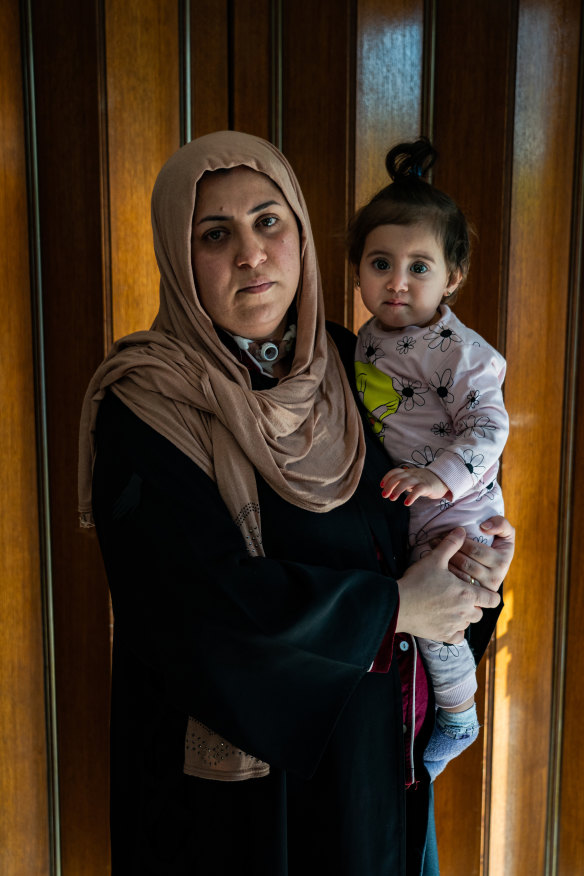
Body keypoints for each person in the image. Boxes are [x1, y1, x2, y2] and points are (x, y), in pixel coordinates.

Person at [78, 130, 514, 875]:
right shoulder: (147, 405)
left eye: (269, 221)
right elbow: (188, 608)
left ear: (303, 238)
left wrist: (469, 574)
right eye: (215, 233)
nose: (251, 254)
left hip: (373, 771)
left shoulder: (360, 365)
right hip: (240, 811)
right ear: (179, 259)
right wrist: (394, 610)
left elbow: (419, 524)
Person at [350, 137, 509, 781]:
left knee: (444, 617)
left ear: (453, 277)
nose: (397, 281)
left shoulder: (460, 353)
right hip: (409, 514)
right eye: (379, 263)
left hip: (457, 512)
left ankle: (458, 712)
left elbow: (489, 425)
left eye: (420, 266)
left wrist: (437, 477)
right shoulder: (362, 340)